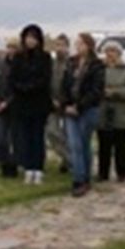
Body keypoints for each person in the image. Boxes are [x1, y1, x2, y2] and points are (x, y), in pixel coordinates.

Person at [62, 32, 106, 196]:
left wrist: (79, 106)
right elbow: (65, 85)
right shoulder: (71, 63)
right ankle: (79, 178)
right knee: (75, 145)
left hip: (88, 109)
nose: (78, 46)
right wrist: (66, 104)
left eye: (81, 43)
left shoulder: (96, 65)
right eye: (77, 43)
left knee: (83, 144)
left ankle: (84, 178)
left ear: (89, 45)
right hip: (70, 108)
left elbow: (96, 90)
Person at [10, 25, 53, 184]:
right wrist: (21, 87)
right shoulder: (18, 57)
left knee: (37, 136)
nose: (30, 41)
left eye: (33, 38)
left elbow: (45, 78)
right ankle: (28, 167)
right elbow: (13, 78)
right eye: (28, 37)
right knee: (25, 136)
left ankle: (38, 168)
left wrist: (31, 87)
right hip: (22, 102)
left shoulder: (45, 57)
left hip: (39, 101)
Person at [97, 40, 125, 182]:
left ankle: (122, 172)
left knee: (121, 145)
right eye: (107, 51)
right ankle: (103, 173)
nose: (110, 54)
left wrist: (115, 92)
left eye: (113, 51)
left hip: (121, 113)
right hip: (103, 113)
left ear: (119, 53)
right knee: (104, 145)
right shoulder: (100, 70)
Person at [0, 39, 19, 177]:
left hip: (14, 106)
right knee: (0, 138)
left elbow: (19, 88)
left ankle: (13, 165)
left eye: (13, 48)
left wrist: (7, 102)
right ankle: (4, 164)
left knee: (14, 139)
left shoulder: (20, 65)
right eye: (9, 47)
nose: (11, 50)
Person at [45, 34, 72, 173]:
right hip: (52, 103)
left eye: (62, 45)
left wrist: (63, 101)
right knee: (52, 132)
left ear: (67, 46)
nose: (59, 48)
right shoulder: (51, 63)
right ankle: (68, 157)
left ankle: (70, 161)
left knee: (69, 134)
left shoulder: (72, 63)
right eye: (57, 45)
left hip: (67, 104)